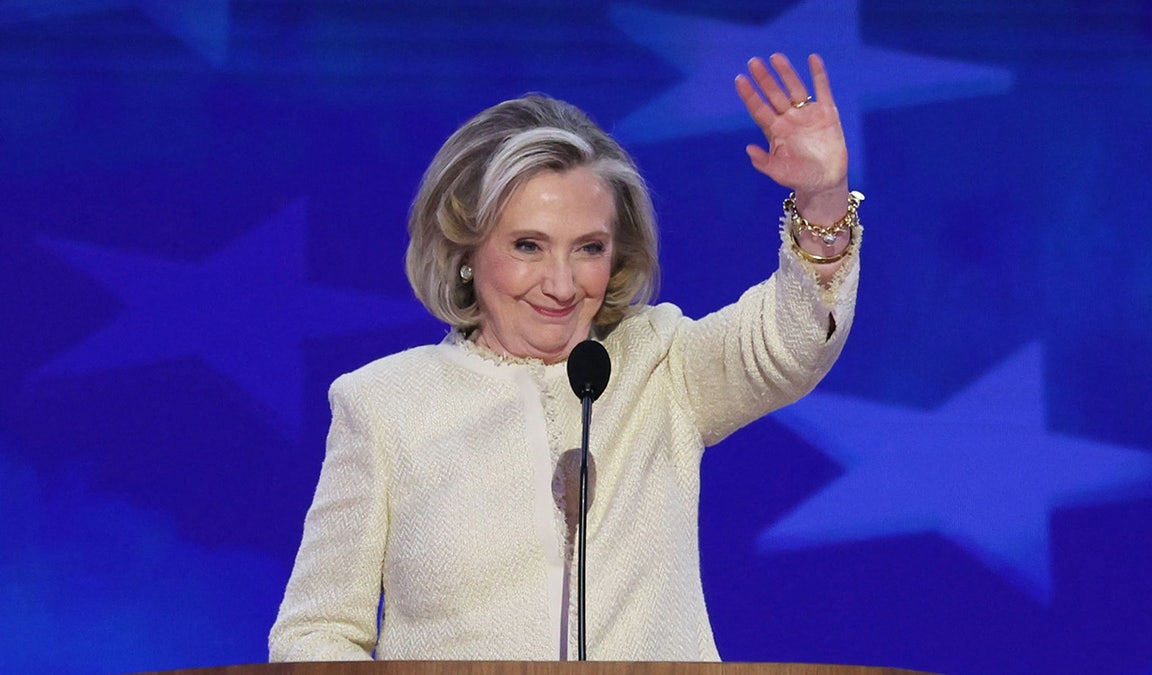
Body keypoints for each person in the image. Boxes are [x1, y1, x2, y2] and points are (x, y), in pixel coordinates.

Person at [269, 52, 862, 662]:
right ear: (466, 247)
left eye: (588, 248)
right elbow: (315, 632)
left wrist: (822, 202)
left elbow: (792, 345)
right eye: (528, 245)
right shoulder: (384, 403)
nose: (560, 284)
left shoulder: (661, 361)